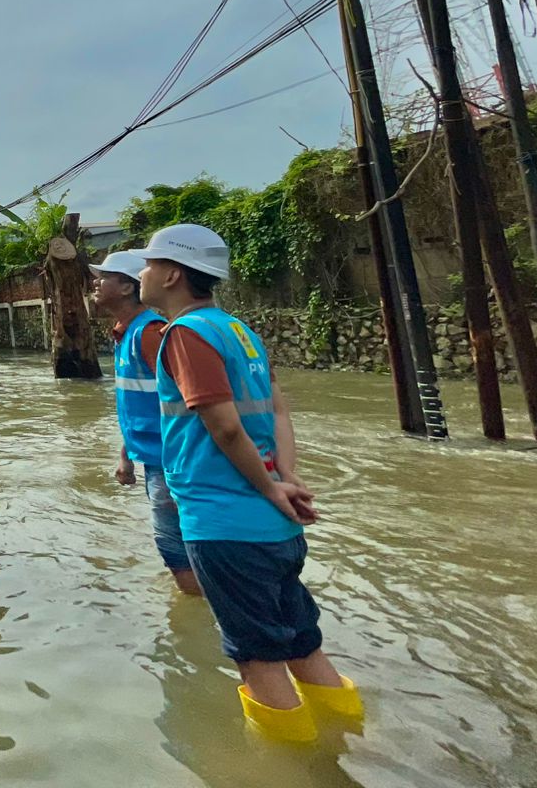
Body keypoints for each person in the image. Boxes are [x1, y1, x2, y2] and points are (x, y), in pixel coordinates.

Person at [133, 223, 361, 741]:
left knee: (257, 659)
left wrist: (268, 487)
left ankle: (302, 766)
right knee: (303, 644)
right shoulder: (238, 329)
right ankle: (353, 739)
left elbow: (225, 424)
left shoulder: (185, 335)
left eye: (148, 264)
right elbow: (278, 408)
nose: (141, 273)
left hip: (226, 524)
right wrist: (284, 478)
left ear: (171, 275)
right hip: (275, 527)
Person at [89, 250, 201, 595]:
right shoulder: (125, 333)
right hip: (154, 459)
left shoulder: (150, 333)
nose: (96, 282)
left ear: (126, 288)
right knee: (177, 551)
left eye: (104, 277)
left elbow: (190, 401)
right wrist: (126, 455)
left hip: (173, 463)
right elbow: (139, 406)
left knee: (179, 551)